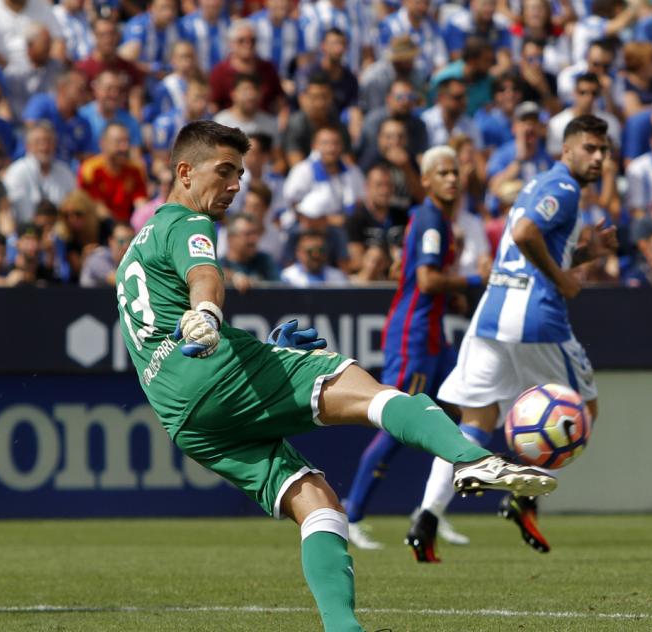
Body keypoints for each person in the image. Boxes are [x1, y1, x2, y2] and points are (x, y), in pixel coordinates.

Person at [114, 120, 554, 631]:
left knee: (318, 502)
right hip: (214, 372)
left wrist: (254, 347)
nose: (235, 185)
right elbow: (204, 276)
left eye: (240, 174)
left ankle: (343, 628)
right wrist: (208, 316)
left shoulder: (134, 251)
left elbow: (164, 326)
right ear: (185, 172)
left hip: (183, 418)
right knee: (367, 392)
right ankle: (473, 459)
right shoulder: (187, 223)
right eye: (225, 171)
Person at [407, 115, 617, 562]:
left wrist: (585, 253)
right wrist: (563, 277)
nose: (599, 157)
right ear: (567, 149)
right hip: (536, 317)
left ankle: (426, 517)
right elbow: (524, 235)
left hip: (492, 314)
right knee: (581, 411)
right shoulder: (564, 188)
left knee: (475, 419)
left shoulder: (536, 184)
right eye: (590, 148)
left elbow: (528, 245)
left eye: (604, 150)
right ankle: (523, 496)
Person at [341, 145, 485, 551]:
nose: (452, 179)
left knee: (463, 415)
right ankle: (351, 516)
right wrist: (474, 281)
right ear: (425, 180)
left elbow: (422, 278)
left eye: (455, 172)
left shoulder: (438, 220)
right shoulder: (430, 219)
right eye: (443, 173)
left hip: (434, 335)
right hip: (413, 337)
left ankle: (429, 511)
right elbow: (425, 280)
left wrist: (453, 297)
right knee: (397, 424)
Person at [4, 122, 77, 225]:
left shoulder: (65, 172)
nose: (44, 147)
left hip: (59, 230)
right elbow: (11, 211)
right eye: (38, 142)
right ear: (28, 146)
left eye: (48, 141)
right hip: (27, 230)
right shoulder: (17, 172)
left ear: (55, 144)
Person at [281, 229, 351, 286]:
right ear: (299, 253)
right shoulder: (287, 278)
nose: (316, 255)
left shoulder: (338, 277)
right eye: (310, 251)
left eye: (320, 250)